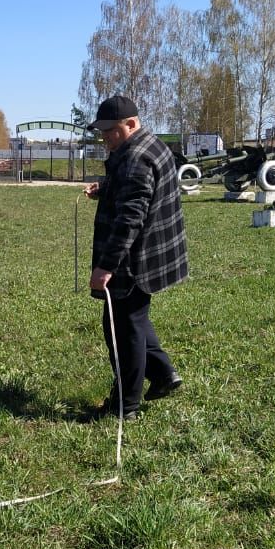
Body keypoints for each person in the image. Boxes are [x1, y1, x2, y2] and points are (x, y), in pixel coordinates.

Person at [82, 95, 188, 421]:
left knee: (121, 330)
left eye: (110, 131)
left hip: (135, 261)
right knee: (135, 320)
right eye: (102, 132)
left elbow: (131, 219)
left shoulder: (135, 160)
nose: (105, 138)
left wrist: (105, 266)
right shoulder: (151, 147)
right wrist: (105, 187)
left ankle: (126, 406)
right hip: (153, 256)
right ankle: (164, 374)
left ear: (131, 123)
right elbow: (137, 190)